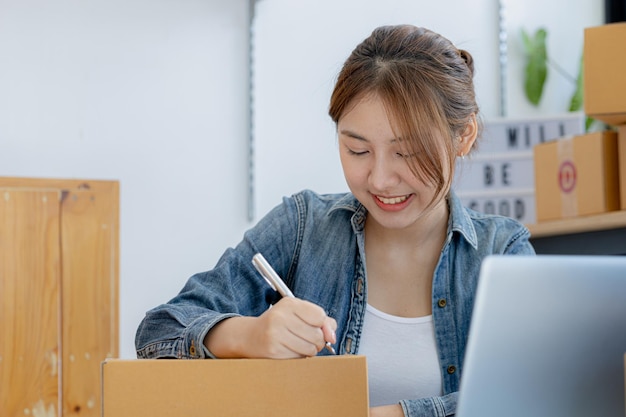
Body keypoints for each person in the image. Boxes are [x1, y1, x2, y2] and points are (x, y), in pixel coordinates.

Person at [135, 24, 536, 417]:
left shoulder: (502, 253)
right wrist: (248, 335)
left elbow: (529, 394)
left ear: (463, 136)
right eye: (357, 150)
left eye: (408, 152)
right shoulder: (301, 228)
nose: (380, 179)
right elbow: (157, 333)